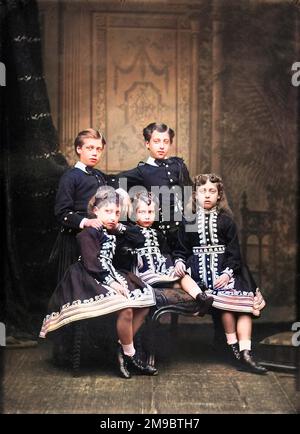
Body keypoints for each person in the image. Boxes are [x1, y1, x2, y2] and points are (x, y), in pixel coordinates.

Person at [40, 186, 158, 379]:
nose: (113, 217)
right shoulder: (89, 232)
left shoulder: (114, 230)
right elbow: (90, 262)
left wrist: (119, 226)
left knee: (145, 304)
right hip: (88, 277)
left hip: (111, 274)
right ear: (95, 211)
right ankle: (131, 356)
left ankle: (121, 349)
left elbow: (138, 238)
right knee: (126, 308)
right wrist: (112, 283)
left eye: (117, 213)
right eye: (108, 212)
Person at [174, 173, 267, 374]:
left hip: (224, 273)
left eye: (212, 191)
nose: (207, 195)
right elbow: (181, 249)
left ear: (219, 196)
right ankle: (232, 348)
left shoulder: (227, 221)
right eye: (203, 191)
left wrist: (227, 273)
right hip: (199, 274)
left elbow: (235, 254)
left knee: (242, 306)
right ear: (195, 195)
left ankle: (245, 352)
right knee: (223, 303)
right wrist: (180, 260)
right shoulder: (188, 221)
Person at [114, 191, 214, 315]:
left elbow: (166, 253)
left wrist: (171, 267)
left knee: (182, 276)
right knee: (175, 284)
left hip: (162, 269)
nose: (147, 216)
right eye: (142, 212)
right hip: (146, 271)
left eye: (150, 212)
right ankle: (195, 298)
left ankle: (200, 297)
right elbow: (119, 230)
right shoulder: (132, 231)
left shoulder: (158, 234)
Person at [51, 128, 119, 282]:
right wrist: (86, 222)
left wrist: (121, 192)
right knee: (81, 287)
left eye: (98, 149)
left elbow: (115, 182)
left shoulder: (98, 176)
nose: (95, 153)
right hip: (74, 241)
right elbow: (62, 212)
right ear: (79, 149)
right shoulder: (70, 177)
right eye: (90, 148)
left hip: (98, 239)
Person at [119, 122, 192, 251]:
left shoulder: (178, 165)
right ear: (148, 144)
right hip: (159, 231)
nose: (162, 146)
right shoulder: (142, 170)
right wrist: (122, 192)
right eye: (157, 141)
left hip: (182, 228)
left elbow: (190, 192)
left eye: (166, 141)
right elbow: (114, 179)